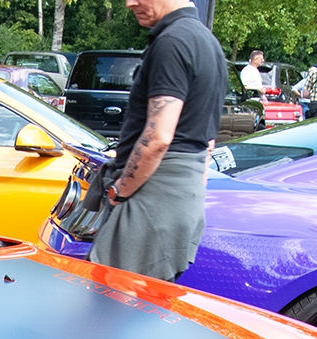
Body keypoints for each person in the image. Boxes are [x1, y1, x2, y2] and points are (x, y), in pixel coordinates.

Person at [87, 0, 225, 281]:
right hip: (180, 195)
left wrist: (118, 193)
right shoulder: (207, 42)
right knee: (145, 310)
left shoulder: (173, 42)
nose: (130, 3)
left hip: (151, 195)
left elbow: (159, 137)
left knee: (110, 302)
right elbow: (208, 141)